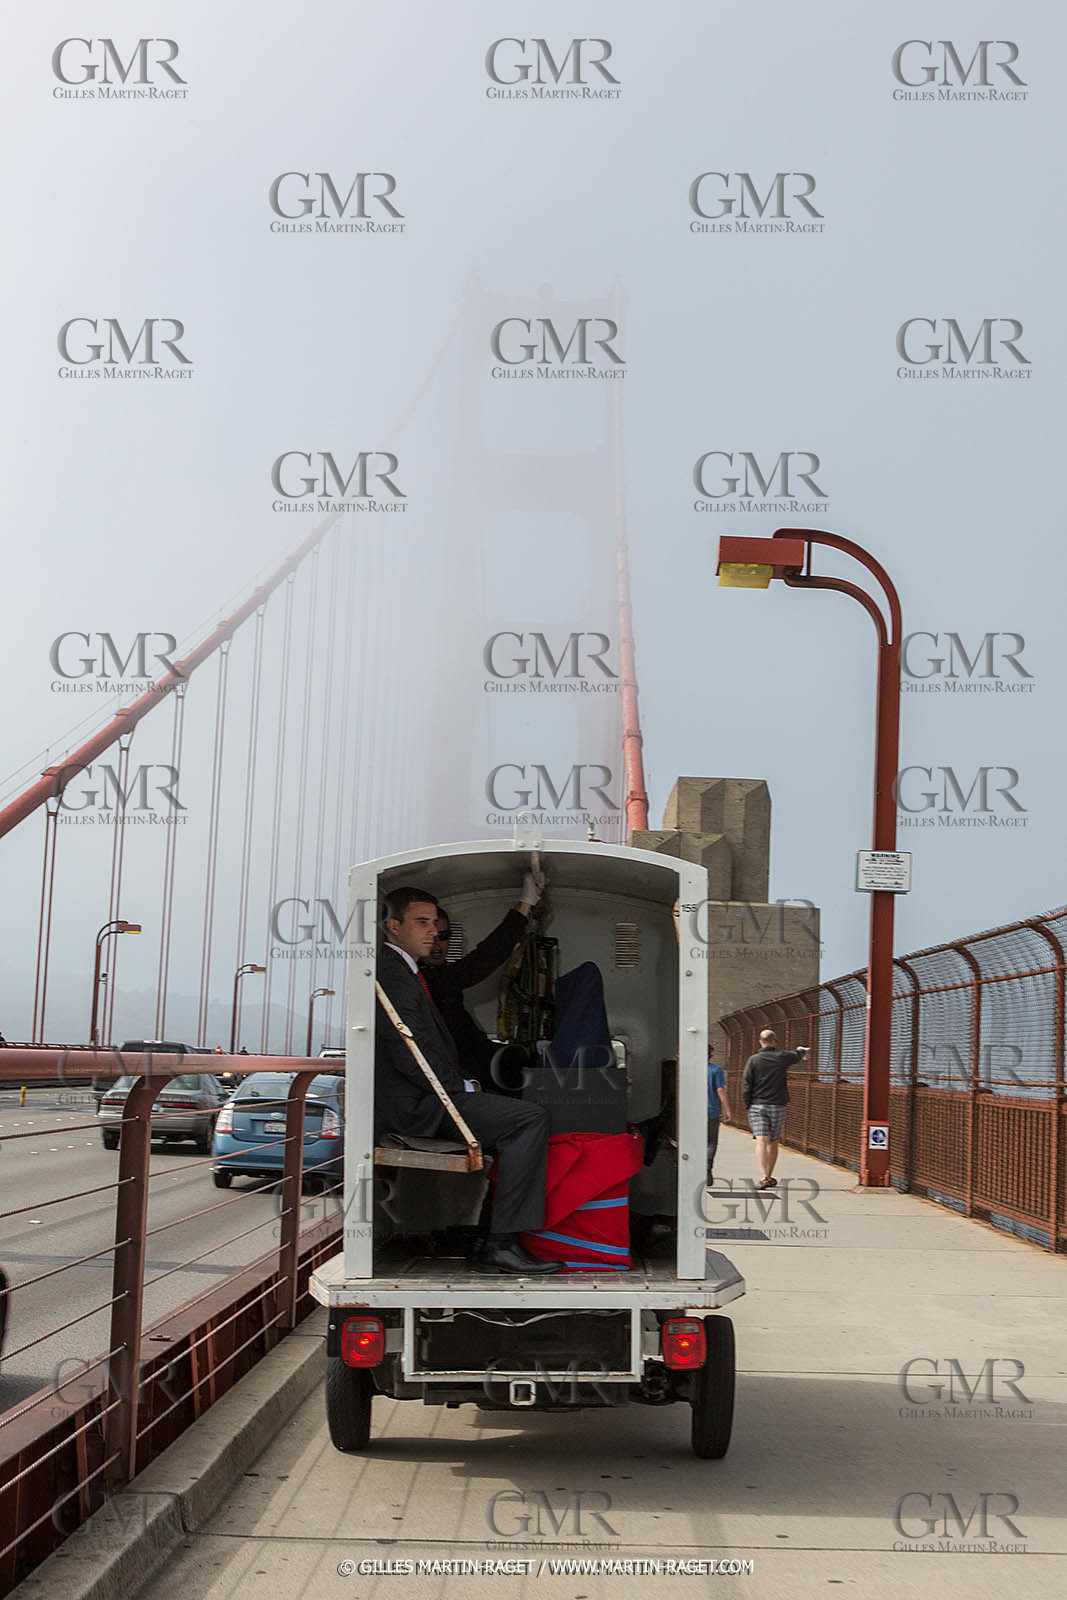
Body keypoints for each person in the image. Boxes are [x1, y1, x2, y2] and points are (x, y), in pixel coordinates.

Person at [375, 886, 562, 1276]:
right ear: (393, 926)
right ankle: (501, 1243)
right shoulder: (392, 974)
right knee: (530, 1120)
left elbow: (474, 968)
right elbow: (409, 1052)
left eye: (437, 927)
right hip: (415, 1109)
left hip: (428, 1096)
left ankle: (490, 1236)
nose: (432, 933)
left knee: (519, 1115)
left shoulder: (410, 972)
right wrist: (462, 1088)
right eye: (421, 923)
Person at [421, 871, 542, 1089]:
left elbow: (472, 1042)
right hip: (458, 1074)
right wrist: (524, 905)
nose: (437, 945)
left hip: (477, 1060)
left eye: (444, 936)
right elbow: (480, 961)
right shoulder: (424, 979)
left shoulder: (443, 975)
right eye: (431, 937)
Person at [741, 1029, 808, 1190]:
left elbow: (746, 1084)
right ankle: (768, 1176)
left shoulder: (753, 1060)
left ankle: (763, 1176)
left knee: (761, 1140)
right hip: (778, 1104)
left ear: (760, 1041)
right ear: (774, 1041)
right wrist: (802, 1050)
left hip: (757, 1105)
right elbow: (798, 1055)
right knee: (773, 1141)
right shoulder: (782, 1057)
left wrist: (747, 1104)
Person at [706, 1047, 732, 1185]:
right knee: (711, 1141)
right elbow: (720, 1090)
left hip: (692, 1112)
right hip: (711, 1111)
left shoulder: (690, 1069)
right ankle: (708, 1165)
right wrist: (727, 1109)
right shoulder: (716, 1070)